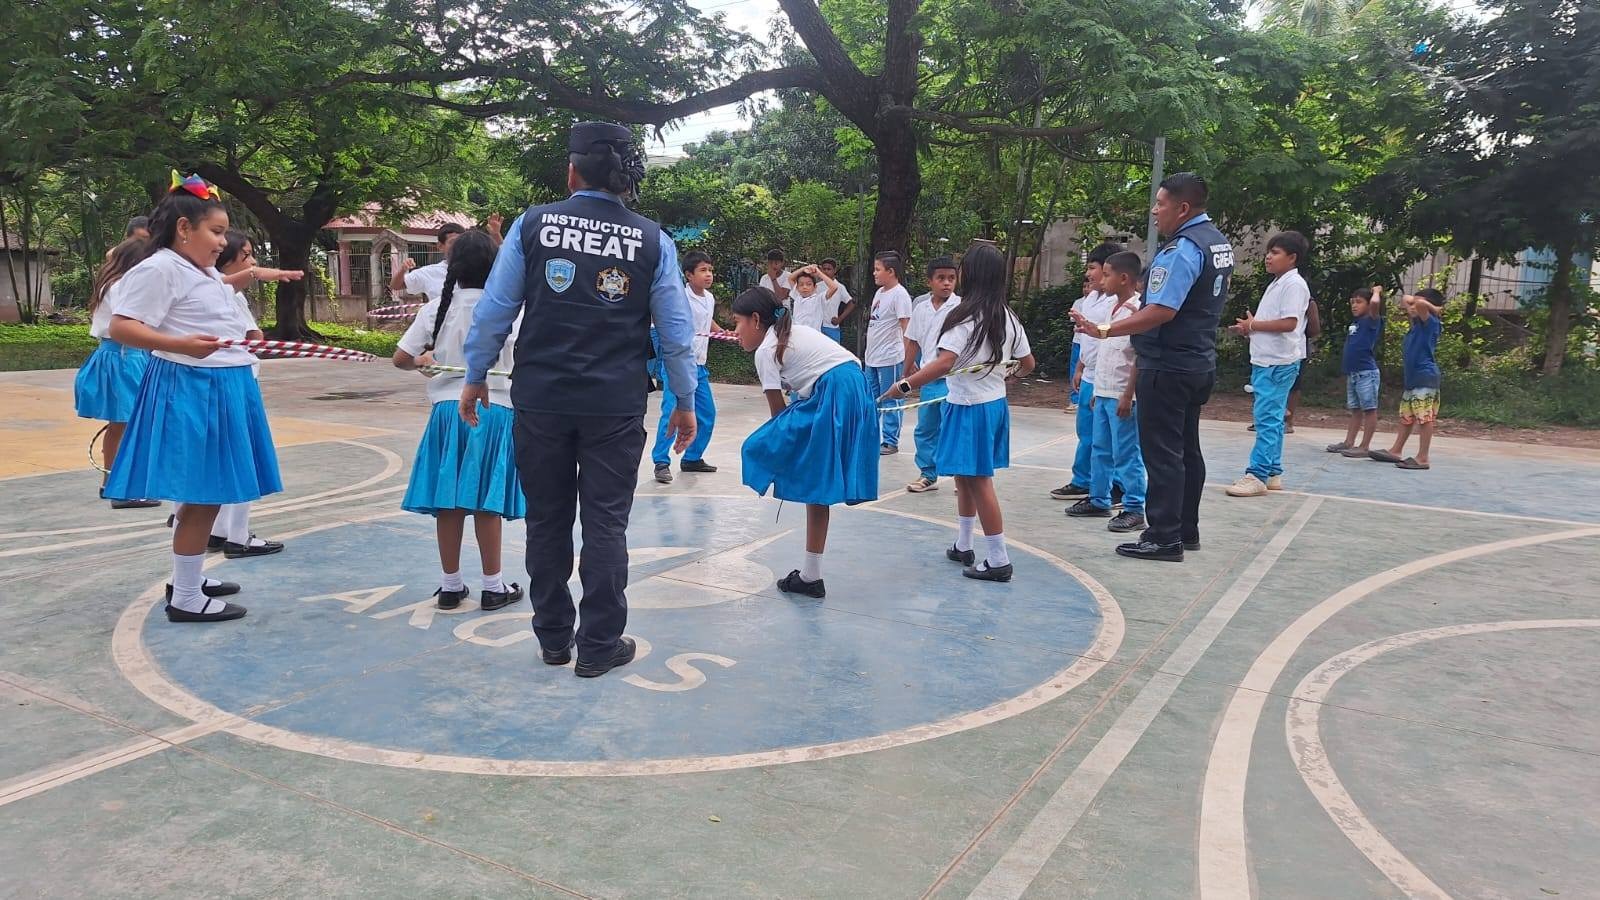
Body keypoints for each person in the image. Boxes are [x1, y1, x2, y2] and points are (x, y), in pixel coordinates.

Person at [461, 121, 697, 679]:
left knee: (546, 521)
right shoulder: (653, 240)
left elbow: (494, 310)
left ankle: (552, 639)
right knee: (606, 526)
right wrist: (682, 400)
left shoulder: (531, 225)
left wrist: (475, 374)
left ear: (571, 171)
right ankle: (598, 647)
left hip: (540, 399)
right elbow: (677, 334)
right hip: (614, 406)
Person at [104, 173, 283, 622]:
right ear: (185, 228)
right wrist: (183, 345)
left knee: (210, 491)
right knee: (204, 492)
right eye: (216, 232)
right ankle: (185, 597)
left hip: (222, 384)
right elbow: (122, 326)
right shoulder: (160, 267)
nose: (222, 242)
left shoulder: (196, 269)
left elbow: (213, 304)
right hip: (193, 386)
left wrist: (257, 275)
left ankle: (189, 578)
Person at [1073, 172, 1232, 562]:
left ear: (1182, 208)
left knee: (1162, 453)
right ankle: (1185, 529)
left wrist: (1106, 329)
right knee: (1186, 450)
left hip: (1168, 364)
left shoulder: (1182, 250)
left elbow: (1161, 310)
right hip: (1197, 360)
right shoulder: (1217, 243)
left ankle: (1163, 536)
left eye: (1160, 203)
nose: (1155, 210)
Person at [886, 242, 1036, 582]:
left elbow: (944, 362)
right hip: (991, 404)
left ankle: (998, 559)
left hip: (971, 409)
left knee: (979, 480)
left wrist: (904, 385)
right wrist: (1002, 376)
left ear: (971, 275)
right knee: (966, 478)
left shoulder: (965, 316)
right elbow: (1027, 363)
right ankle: (963, 544)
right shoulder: (1007, 315)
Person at [394, 229, 524, 612]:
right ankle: (493, 586)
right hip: (496, 409)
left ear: (452, 266)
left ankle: (450, 586)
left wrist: (424, 361)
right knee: (487, 504)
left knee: (448, 502)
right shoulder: (509, 310)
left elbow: (401, 358)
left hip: (447, 413)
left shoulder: (436, 308)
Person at [736, 287, 878, 598]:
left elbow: (778, 416)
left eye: (738, 323)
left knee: (757, 446)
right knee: (817, 482)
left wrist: (783, 458)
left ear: (756, 320)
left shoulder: (766, 351)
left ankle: (811, 575)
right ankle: (811, 576)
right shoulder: (791, 333)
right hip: (853, 384)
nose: (736, 332)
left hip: (836, 389)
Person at [1226, 230, 1311, 498]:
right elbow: (1274, 323)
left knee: (1267, 419)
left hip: (1278, 363)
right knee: (1270, 418)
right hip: (1267, 360)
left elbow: (1290, 323)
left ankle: (1258, 474)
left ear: (1292, 257)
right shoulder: (1278, 283)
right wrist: (1251, 329)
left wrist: (1254, 324)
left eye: (1275, 253)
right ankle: (1273, 471)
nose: (1268, 258)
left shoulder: (1293, 285)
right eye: (1268, 252)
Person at [76, 239, 160, 509]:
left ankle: (111, 482)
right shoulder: (123, 285)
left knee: (120, 425)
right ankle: (123, 489)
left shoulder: (111, 282)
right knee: (127, 425)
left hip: (118, 355)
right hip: (125, 356)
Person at [1068, 250, 1147, 531]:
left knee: (1126, 452)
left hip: (1122, 394)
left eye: (1109, 273)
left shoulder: (1138, 312)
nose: (1103, 278)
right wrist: (1096, 389)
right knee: (1100, 448)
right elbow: (1103, 350)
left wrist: (1128, 394)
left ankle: (1135, 506)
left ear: (1124, 278)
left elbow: (1139, 356)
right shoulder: (1112, 308)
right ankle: (1099, 498)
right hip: (1103, 391)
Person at [1053, 243, 1122, 502]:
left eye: (1093, 268)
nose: (1089, 274)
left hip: (1107, 378)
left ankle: (1114, 485)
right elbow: (1085, 339)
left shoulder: (1117, 303)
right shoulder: (1091, 299)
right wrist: (1080, 367)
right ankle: (1082, 480)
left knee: (1107, 438)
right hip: (1090, 374)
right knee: (1087, 433)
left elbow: (1110, 341)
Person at [652, 250, 725, 484]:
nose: (708, 275)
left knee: (707, 413)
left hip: (700, 366)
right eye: (703, 270)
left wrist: (724, 333)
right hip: (679, 365)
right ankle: (661, 461)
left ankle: (692, 458)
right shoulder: (679, 298)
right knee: (671, 413)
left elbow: (707, 321)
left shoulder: (710, 298)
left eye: (710, 270)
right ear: (688, 275)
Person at [902, 256, 961, 493]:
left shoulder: (961, 307)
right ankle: (928, 474)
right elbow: (913, 342)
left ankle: (962, 475)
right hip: (928, 380)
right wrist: (906, 373)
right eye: (941, 278)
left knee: (953, 427)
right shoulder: (921, 309)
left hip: (954, 380)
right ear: (930, 282)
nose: (946, 283)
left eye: (951, 278)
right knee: (926, 427)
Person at [1370, 288, 1443, 470]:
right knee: (1406, 417)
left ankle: (1423, 457)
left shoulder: (1431, 323)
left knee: (1424, 418)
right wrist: (1416, 303)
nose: (1411, 307)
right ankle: (1396, 450)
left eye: (1416, 305)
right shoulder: (1417, 325)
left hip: (1425, 377)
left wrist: (1431, 307)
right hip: (1413, 379)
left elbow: (1417, 303)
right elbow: (1405, 299)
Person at [864, 252, 914, 455]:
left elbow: (906, 328)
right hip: (872, 357)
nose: (874, 273)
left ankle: (890, 440)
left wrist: (906, 360)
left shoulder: (900, 295)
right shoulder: (880, 293)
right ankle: (870, 436)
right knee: (871, 398)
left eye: (878, 269)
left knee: (892, 398)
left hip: (890, 358)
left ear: (891, 271)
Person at [1326, 286, 1384, 458]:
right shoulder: (1355, 323)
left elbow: (1375, 304)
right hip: (1353, 373)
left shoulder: (1372, 320)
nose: (1354, 306)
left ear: (1368, 304)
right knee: (1356, 410)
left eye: (1359, 302)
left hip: (1366, 372)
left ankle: (1364, 446)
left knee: (1369, 409)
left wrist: (1376, 292)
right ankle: (1348, 442)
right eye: (1352, 302)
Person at [390, 222, 466, 302]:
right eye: (453, 242)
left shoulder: (477, 269)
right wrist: (403, 270)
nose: (459, 246)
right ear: (440, 246)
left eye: (462, 242)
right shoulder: (429, 272)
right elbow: (395, 285)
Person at [787, 264, 842, 334]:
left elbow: (834, 287)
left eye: (809, 284)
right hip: (797, 334)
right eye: (801, 284)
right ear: (797, 288)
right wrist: (805, 268)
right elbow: (790, 278)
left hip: (813, 335)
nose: (805, 287)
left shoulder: (819, 299)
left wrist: (819, 273)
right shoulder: (797, 296)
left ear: (815, 287)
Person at [819, 258, 852, 342]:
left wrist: (840, 319)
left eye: (829, 269)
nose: (826, 271)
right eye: (824, 269)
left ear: (835, 270)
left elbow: (851, 303)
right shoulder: (816, 286)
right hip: (817, 325)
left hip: (831, 326)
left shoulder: (840, 287)